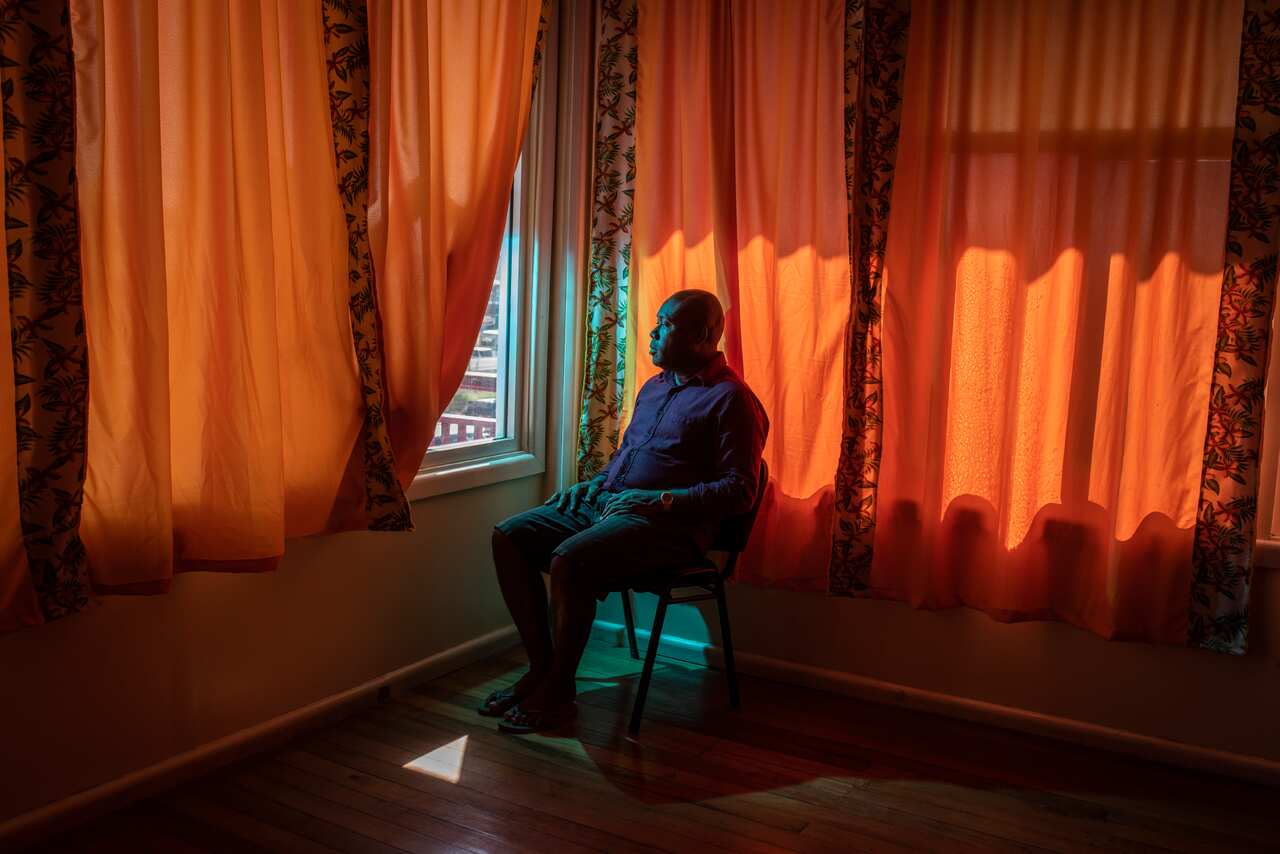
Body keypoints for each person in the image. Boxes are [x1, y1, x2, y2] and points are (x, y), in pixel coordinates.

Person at [484, 289, 768, 733]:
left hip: (671, 529)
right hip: (614, 507)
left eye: (665, 324)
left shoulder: (732, 400)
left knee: (570, 559)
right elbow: (627, 458)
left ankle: (559, 692)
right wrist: (593, 485)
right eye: (655, 322)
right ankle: (543, 668)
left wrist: (660, 501)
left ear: (701, 335)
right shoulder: (654, 388)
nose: (652, 333)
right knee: (510, 536)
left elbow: (740, 491)